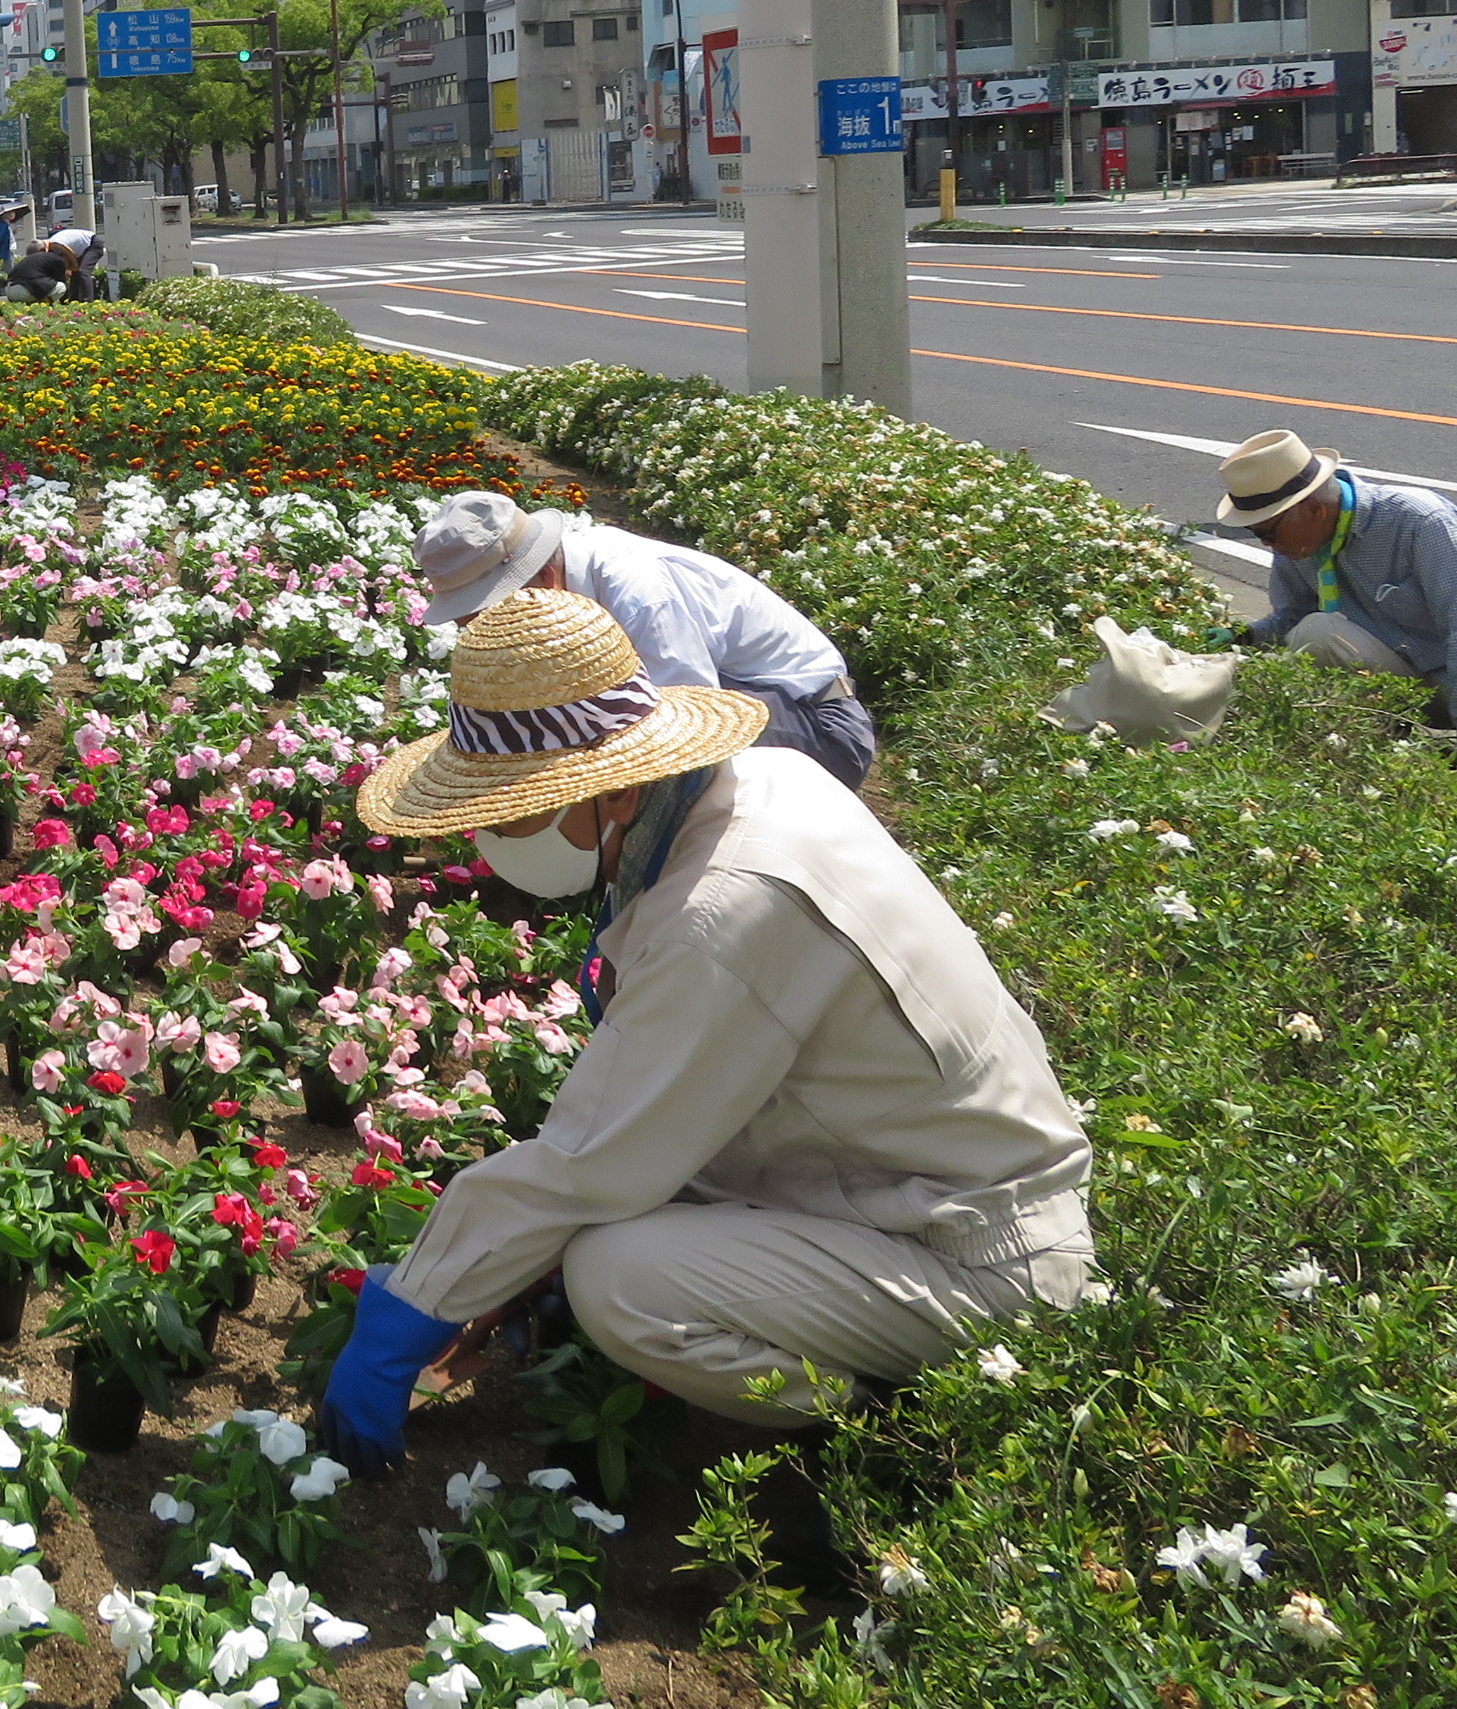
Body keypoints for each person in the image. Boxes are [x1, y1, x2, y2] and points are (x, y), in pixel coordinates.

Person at [314, 590, 1093, 1468]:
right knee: (595, 1235)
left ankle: (894, 1435)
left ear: (606, 793)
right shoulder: (757, 782)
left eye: (513, 810)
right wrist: (510, 1265)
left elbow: (589, 1162)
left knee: (621, 1284)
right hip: (902, 1181)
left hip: (973, 1256)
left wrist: (413, 1310)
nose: (493, 838)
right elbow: (661, 1105)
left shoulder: (724, 906)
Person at [417, 490, 880, 789]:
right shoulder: (564, 586)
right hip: (737, 700)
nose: (476, 628)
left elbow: (690, 734)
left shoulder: (639, 596)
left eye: (485, 609)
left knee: (645, 762)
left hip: (818, 727)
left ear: (543, 575)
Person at [1218, 428, 1457, 784]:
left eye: (1268, 532)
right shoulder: (1298, 544)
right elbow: (1295, 616)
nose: (1267, 544)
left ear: (1313, 509)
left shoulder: (1419, 519)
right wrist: (1245, 636)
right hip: (1407, 676)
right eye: (1257, 534)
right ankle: (1386, 742)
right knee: (1315, 632)